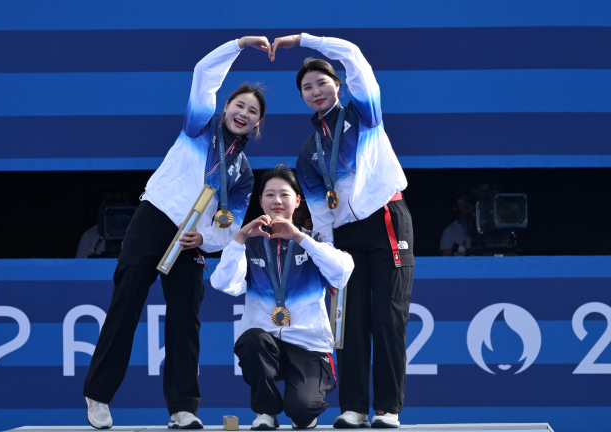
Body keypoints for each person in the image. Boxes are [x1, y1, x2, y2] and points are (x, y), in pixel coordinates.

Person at [82, 36, 271, 430]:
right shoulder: (198, 126)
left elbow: (232, 223)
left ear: (257, 124)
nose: (244, 113)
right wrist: (238, 45)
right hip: (155, 219)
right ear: (225, 108)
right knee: (126, 305)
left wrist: (206, 240)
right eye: (239, 105)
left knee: (186, 319)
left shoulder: (244, 173)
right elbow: (203, 74)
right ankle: (98, 396)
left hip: (191, 241)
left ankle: (183, 408)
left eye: (252, 112)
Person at [269, 34, 414, 428]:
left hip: (385, 219)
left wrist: (303, 41)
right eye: (306, 88)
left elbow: (352, 55)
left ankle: (387, 409)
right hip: (346, 238)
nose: (315, 91)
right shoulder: (307, 151)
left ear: (339, 85)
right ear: (301, 97)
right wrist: (329, 260)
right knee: (349, 323)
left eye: (321, 83)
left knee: (387, 316)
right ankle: (352, 407)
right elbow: (319, 212)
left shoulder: (364, 113)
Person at [210, 165, 354, 430]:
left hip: (308, 345)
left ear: (297, 200)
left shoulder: (314, 240)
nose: (277, 201)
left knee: (301, 412)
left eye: (284, 194)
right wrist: (238, 239)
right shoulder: (249, 243)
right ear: (260, 200)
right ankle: (265, 412)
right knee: (252, 340)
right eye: (270, 195)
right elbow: (223, 284)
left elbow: (342, 272)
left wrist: (300, 237)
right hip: (266, 343)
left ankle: (304, 404)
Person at [440, 186, 476, 256]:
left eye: (469, 199)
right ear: (456, 203)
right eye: (461, 200)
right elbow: (445, 262)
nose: (465, 202)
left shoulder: (487, 227)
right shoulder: (451, 230)